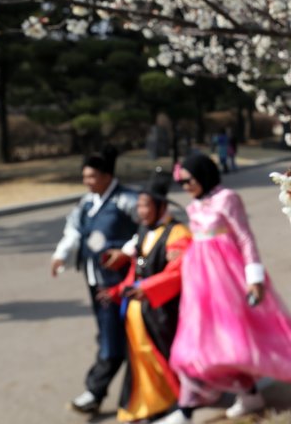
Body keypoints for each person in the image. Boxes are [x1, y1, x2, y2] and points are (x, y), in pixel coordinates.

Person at [156, 153, 291, 424]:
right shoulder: (193, 206)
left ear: (202, 175)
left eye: (188, 180)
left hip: (227, 279)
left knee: (231, 342)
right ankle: (238, 396)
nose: (185, 186)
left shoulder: (227, 198)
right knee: (197, 341)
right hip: (198, 281)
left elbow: (245, 237)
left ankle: (193, 408)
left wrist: (254, 278)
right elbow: (199, 239)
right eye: (181, 182)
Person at [96, 169, 193, 423]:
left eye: (145, 205)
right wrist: (117, 291)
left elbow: (177, 272)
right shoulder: (142, 232)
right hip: (136, 311)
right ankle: (146, 405)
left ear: (160, 206)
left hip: (161, 311)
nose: (140, 211)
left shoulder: (178, 234)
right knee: (141, 362)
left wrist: (148, 289)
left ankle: (180, 404)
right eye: (138, 205)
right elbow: (134, 272)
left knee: (163, 359)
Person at [50, 145, 139, 414]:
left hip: (122, 283)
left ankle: (95, 391)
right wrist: (61, 254)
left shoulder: (128, 200)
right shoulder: (87, 203)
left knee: (114, 338)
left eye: (92, 176)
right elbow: (74, 230)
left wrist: (126, 251)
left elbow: (149, 229)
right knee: (108, 334)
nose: (87, 181)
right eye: (85, 176)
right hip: (96, 278)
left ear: (107, 175)